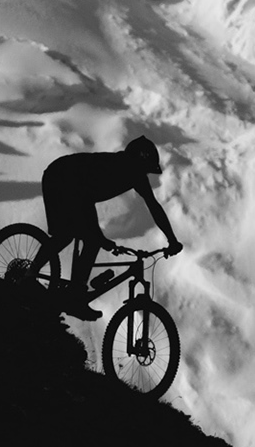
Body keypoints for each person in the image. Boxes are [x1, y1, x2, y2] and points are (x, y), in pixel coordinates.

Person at [38, 136, 178, 317]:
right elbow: (83, 200)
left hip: (77, 188)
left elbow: (154, 207)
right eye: (143, 168)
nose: (144, 174)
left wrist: (172, 239)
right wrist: (99, 238)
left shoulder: (134, 175)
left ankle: (75, 294)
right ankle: (30, 275)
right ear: (135, 163)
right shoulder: (112, 168)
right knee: (67, 236)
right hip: (60, 178)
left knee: (90, 239)